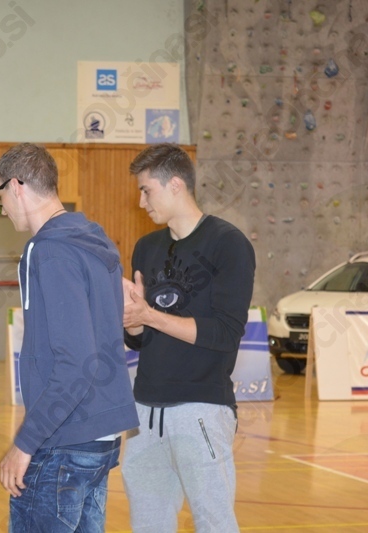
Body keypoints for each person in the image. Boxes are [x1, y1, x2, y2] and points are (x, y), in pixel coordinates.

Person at [0, 143, 139, 533]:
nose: (2, 208)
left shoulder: (48, 250)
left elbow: (75, 363)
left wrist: (25, 443)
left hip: (63, 439)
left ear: (16, 186)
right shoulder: (93, 239)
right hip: (101, 437)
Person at [121, 143, 255, 533]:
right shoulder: (146, 248)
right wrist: (133, 320)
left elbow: (225, 333)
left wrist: (151, 316)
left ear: (175, 184)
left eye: (146, 190)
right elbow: (139, 341)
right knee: (148, 524)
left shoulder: (228, 243)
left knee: (214, 523)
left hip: (201, 409)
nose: (141, 201)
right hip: (144, 411)